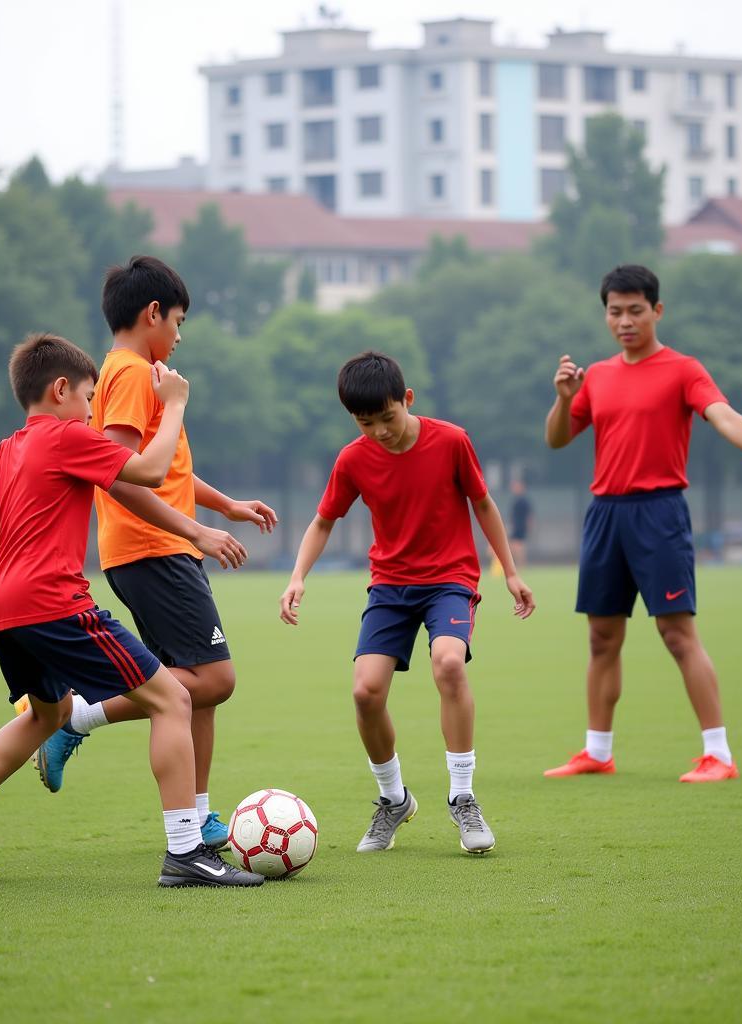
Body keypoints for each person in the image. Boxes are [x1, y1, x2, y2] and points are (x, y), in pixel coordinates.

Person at [0, 332, 262, 888]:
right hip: (51, 599)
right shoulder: (69, 437)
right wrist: (173, 403)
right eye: (88, 397)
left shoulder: (12, 446)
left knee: (44, 714)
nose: (92, 409)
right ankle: (186, 851)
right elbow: (149, 471)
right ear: (60, 391)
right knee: (173, 697)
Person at [34, 256, 277, 851]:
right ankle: (81, 716)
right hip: (154, 549)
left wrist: (223, 507)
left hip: (160, 546)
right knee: (214, 679)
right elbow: (119, 476)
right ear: (152, 314)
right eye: (179, 319)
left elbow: (164, 472)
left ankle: (197, 818)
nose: (180, 332)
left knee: (195, 686)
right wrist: (195, 534)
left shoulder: (138, 372)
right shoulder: (137, 376)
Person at [543, 264, 742, 783]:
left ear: (657, 311)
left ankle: (719, 755)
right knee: (602, 638)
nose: (624, 321)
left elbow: (725, 417)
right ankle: (597, 751)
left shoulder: (683, 369)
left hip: (659, 513)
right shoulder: (597, 376)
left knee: (677, 634)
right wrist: (562, 399)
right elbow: (557, 439)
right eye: (614, 312)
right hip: (605, 514)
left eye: (635, 311)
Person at [280, 351, 535, 856]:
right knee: (365, 693)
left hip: (450, 580)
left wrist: (510, 572)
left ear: (407, 399)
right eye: (365, 422)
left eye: (387, 418)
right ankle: (393, 800)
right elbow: (324, 520)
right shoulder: (353, 459)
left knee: (448, 663)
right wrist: (297, 576)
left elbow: (483, 503)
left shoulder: (452, 441)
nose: (379, 431)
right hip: (390, 587)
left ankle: (462, 796)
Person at [508, 479, 534, 568]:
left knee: (518, 546)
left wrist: (529, 526)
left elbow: (529, 515)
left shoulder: (524, 501)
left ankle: (521, 565)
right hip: (516, 526)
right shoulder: (516, 500)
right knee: (514, 546)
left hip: (520, 527)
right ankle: (519, 564)